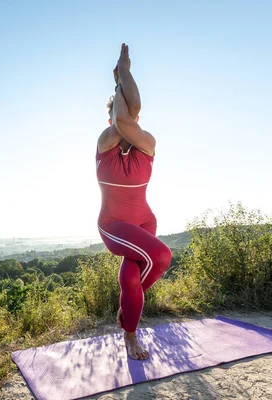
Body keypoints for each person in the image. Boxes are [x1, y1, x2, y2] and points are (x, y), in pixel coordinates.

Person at [96, 43, 172, 360]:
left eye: (134, 115)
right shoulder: (105, 142)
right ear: (114, 116)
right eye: (124, 114)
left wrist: (123, 74)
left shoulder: (148, 144)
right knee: (162, 256)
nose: (132, 118)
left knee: (130, 279)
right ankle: (129, 316)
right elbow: (124, 121)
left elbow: (131, 114)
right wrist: (122, 74)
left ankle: (129, 333)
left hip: (144, 221)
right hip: (114, 226)